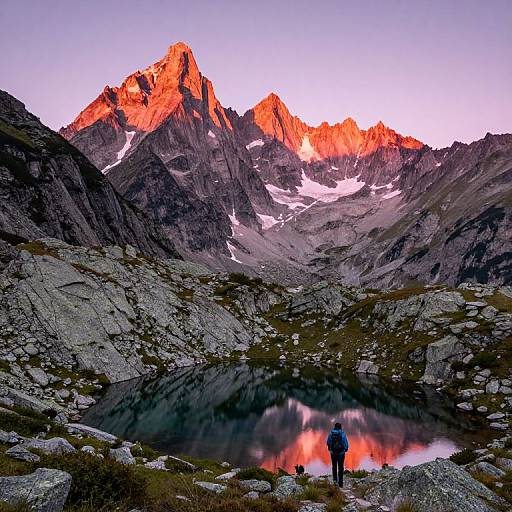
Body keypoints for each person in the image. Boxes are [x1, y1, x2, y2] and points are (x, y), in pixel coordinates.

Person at [326, 421, 349, 487]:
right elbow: (346, 444)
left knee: (334, 466)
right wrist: (345, 450)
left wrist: (330, 450)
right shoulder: (342, 433)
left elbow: (328, 443)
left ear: (334, 427)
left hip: (333, 453)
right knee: (340, 468)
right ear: (340, 427)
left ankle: (335, 481)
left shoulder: (331, 433)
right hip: (341, 453)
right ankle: (340, 484)